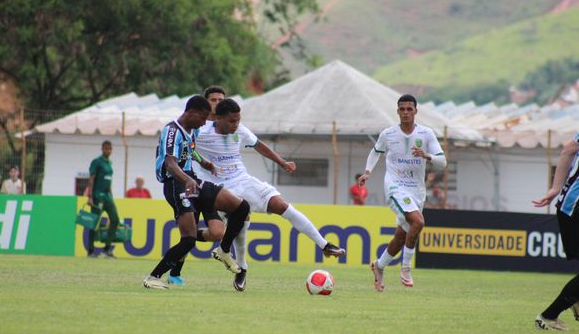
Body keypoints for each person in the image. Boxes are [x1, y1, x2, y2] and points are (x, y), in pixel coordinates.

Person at [167, 92, 346, 291]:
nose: (236, 125)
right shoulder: (201, 130)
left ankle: (324, 245)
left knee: (282, 205)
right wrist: (196, 167)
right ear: (218, 118)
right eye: (232, 121)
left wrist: (282, 162)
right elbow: (184, 144)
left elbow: (259, 145)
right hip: (217, 188)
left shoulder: (240, 130)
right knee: (235, 226)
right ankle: (240, 266)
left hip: (243, 180)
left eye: (238, 121)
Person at [142, 95, 250, 290]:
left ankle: (224, 250)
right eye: (202, 118)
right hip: (176, 185)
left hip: (193, 180)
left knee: (241, 207)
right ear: (191, 113)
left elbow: (189, 151)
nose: (203, 123)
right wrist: (187, 179)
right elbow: (170, 163)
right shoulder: (172, 130)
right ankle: (153, 277)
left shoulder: (192, 130)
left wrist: (203, 162)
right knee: (188, 240)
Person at [358, 94, 447, 292]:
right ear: (397, 111)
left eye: (409, 109)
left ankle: (379, 266)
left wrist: (427, 155)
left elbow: (443, 162)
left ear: (416, 111)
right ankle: (405, 268)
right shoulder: (388, 134)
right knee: (419, 222)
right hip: (395, 186)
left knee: (401, 236)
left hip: (417, 190)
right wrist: (367, 172)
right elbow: (376, 152)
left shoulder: (426, 134)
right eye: (402, 109)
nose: (405, 112)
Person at [532, 132, 579, 331]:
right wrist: (555, 188)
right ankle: (549, 315)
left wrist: (555, 188)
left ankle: (573, 300)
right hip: (574, 206)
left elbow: (569, 150)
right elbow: (569, 149)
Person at [86, 140, 121, 258]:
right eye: (106, 149)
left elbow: (109, 180)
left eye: (110, 149)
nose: (108, 151)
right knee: (94, 222)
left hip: (107, 196)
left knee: (115, 219)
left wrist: (111, 195)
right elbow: (91, 179)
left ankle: (106, 250)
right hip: (97, 196)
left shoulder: (109, 163)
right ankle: (90, 250)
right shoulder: (97, 162)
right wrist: (90, 196)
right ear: (102, 149)